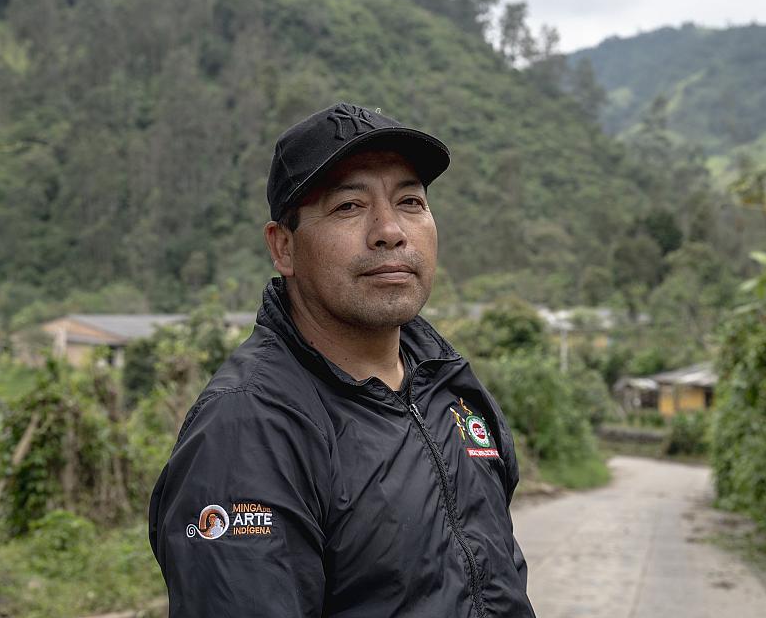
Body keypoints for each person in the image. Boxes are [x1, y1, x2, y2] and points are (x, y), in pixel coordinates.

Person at [148, 103, 535, 617]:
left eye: (411, 201)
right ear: (283, 247)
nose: (390, 230)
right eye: (349, 206)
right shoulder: (249, 428)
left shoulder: (450, 387)